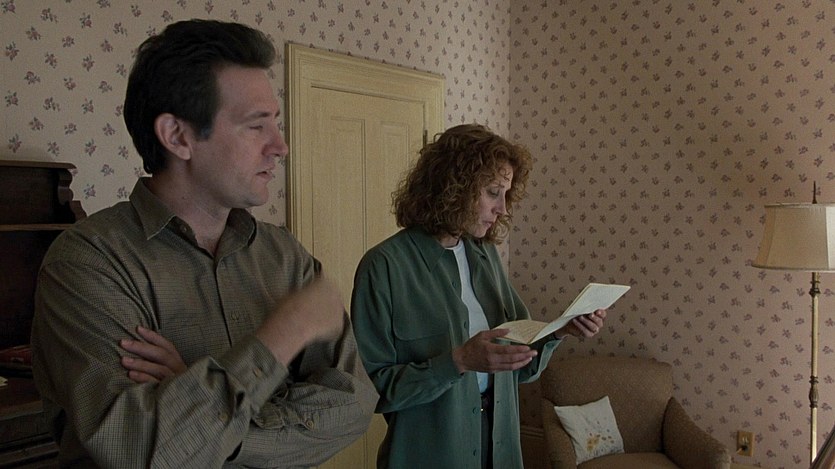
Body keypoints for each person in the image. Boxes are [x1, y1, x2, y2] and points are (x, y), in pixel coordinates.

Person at [31, 19, 378, 468]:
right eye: (256, 126)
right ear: (178, 136)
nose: (280, 146)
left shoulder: (285, 257)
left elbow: (354, 405)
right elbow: (139, 451)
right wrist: (280, 338)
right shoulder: (89, 264)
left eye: (275, 123)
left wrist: (206, 413)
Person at [350, 123, 608, 469]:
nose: (502, 208)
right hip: (429, 454)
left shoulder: (486, 256)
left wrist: (561, 331)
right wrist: (457, 362)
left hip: (500, 449)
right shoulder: (384, 266)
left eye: (506, 194)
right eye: (492, 192)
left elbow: (521, 366)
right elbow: (371, 391)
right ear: (452, 187)